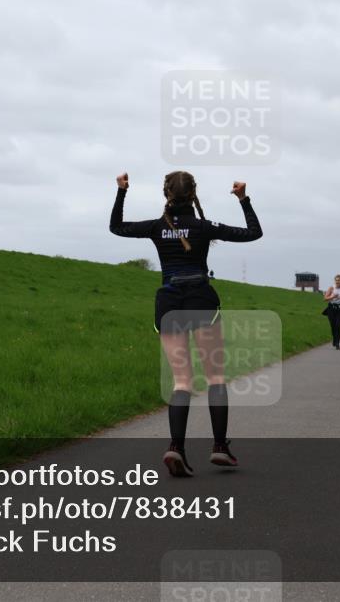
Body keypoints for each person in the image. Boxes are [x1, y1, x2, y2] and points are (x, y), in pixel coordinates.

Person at [110, 171, 263, 477]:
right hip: (200, 299)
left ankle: (175, 447)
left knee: (182, 381)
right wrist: (244, 199)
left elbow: (116, 227)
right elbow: (253, 232)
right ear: (194, 193)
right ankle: (220, 447)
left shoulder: (155, 227)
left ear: (166, 194)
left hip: (169, 303)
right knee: (215, 378)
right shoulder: (203, 226)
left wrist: (122, 192)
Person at [322, 274, 340, 349]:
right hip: (331, 309)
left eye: (339, 280)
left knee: (338, 326)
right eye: (336, 280)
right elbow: (325, 298)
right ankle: (334, 338)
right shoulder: (331, 288)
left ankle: (337, 343)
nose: (337, 282)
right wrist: (332, 296)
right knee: (333, 326)